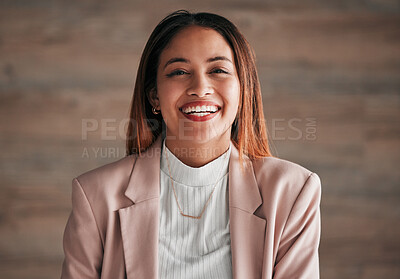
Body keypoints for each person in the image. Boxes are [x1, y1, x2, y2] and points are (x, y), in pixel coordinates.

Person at [60, 10, 321, 279]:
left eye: (218, 70)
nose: (200, 87)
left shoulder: (292, 191)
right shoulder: (95, 196)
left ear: (243, 90)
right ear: (154, 97)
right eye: (179, 72)